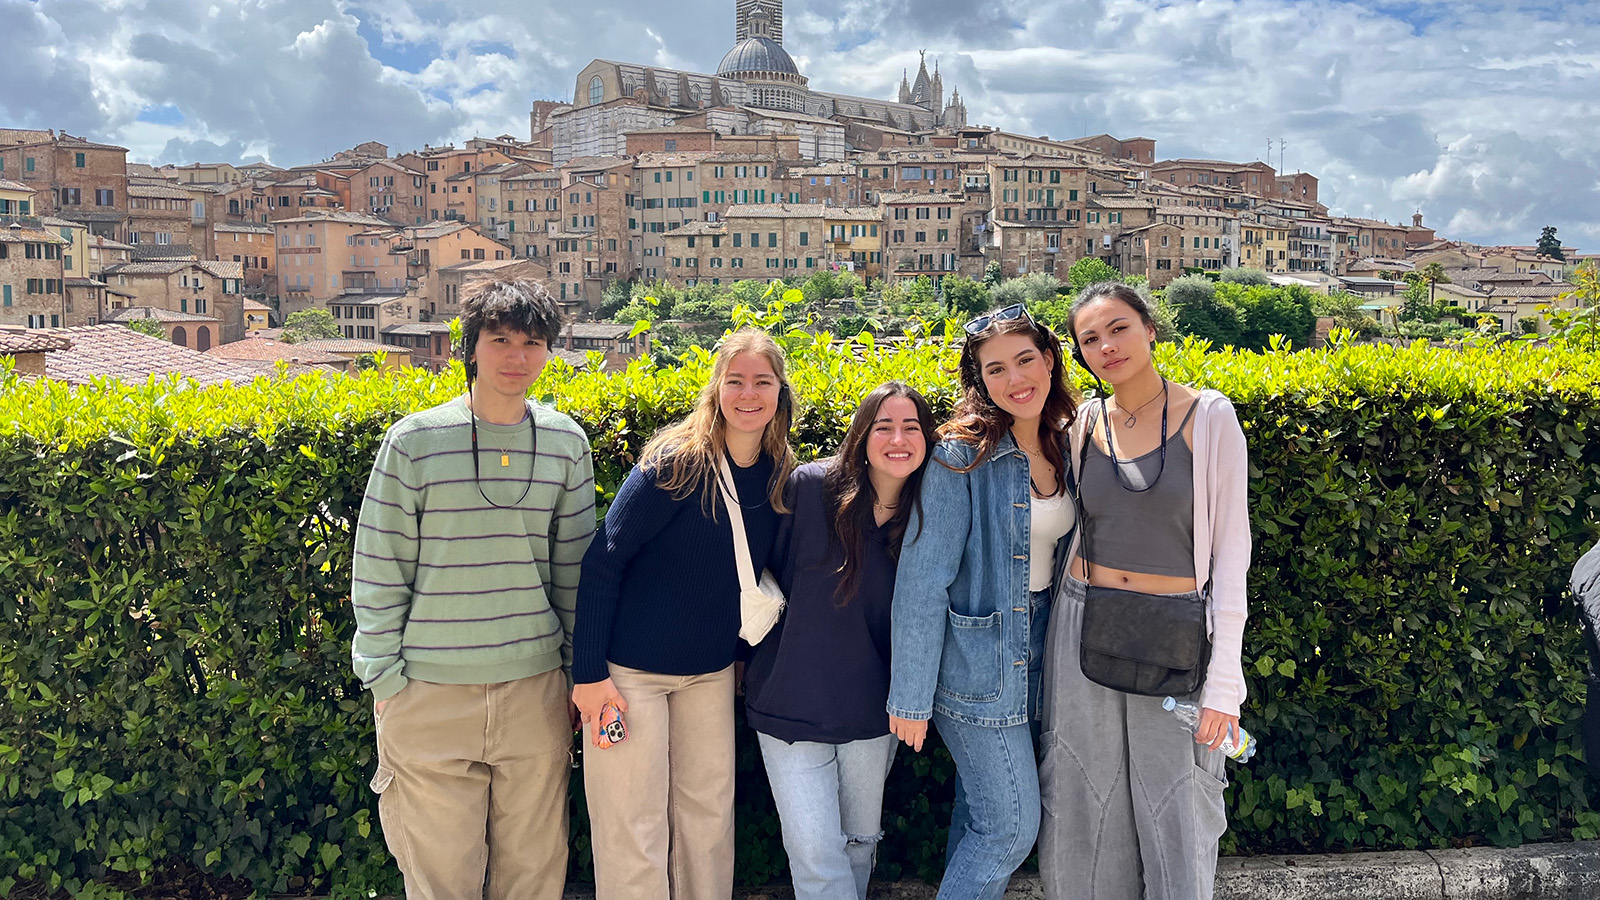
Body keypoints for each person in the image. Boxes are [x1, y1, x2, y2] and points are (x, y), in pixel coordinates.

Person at [351, 279, 597, 900]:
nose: (516, 357)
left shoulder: (567, 444)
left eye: (533, 342)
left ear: (549, 353)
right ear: (473, 347)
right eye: (501, 340)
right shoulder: (415, 442)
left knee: (535, 876)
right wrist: (385, 680)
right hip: (431, 696)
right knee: (440, 882)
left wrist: (575, 673)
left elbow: (573, 574)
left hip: (534, 692)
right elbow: (380, 564)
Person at [1038, 282, 1251, 900]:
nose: (1107, 345)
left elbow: (1232, 556)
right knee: (1080, 795)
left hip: (1174, 634)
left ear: (1150, 329)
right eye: (1090, 339)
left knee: (1179, 800)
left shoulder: (1209, 418)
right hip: (1084, 626)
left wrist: (1225, 686)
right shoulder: (1081, 425)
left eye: (1119, 328)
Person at [573, 329, 798, 900]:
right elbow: (603, 563)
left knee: (708, 820)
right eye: (736, 381)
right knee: (632, 825)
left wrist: (744, 659)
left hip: (712, 673)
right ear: (716, 389)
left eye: (762, 382)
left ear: (780, 393)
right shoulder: (674, 465)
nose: (749, 394)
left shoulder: (778, 473)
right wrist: (589, 677)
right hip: (630, 677)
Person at [887, 304, 1080, 900]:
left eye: (1025, 360)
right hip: (977, 667)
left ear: (1049, 360)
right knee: (1011, 829)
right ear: (979, 380)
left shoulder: (1067, 444)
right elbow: (922, 580)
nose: (1015, 379)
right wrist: (911, 698)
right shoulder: (958, 456)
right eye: (995, 370)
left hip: (1046, 655)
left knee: (982, 819)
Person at [744, 382, 937, 900]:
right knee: (815, 853)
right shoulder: (812, 489)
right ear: (861, 434)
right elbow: (762, 572)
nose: (898, 439)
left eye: (912, 427)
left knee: (858, 843)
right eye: (884, 426)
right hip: (790, 703)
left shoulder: (932, 515)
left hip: (875, 713)